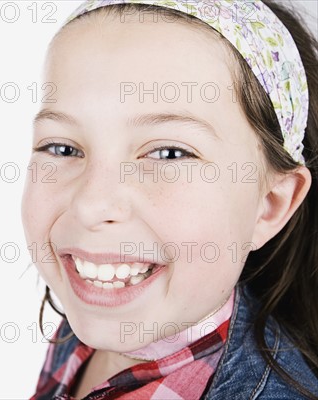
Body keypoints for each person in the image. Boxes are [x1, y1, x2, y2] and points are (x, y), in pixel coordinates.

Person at [20, 0, 318, 398]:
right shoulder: (96, 311)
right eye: (62, 147)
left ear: (270, 204)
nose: (91, 204)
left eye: (169, 154)